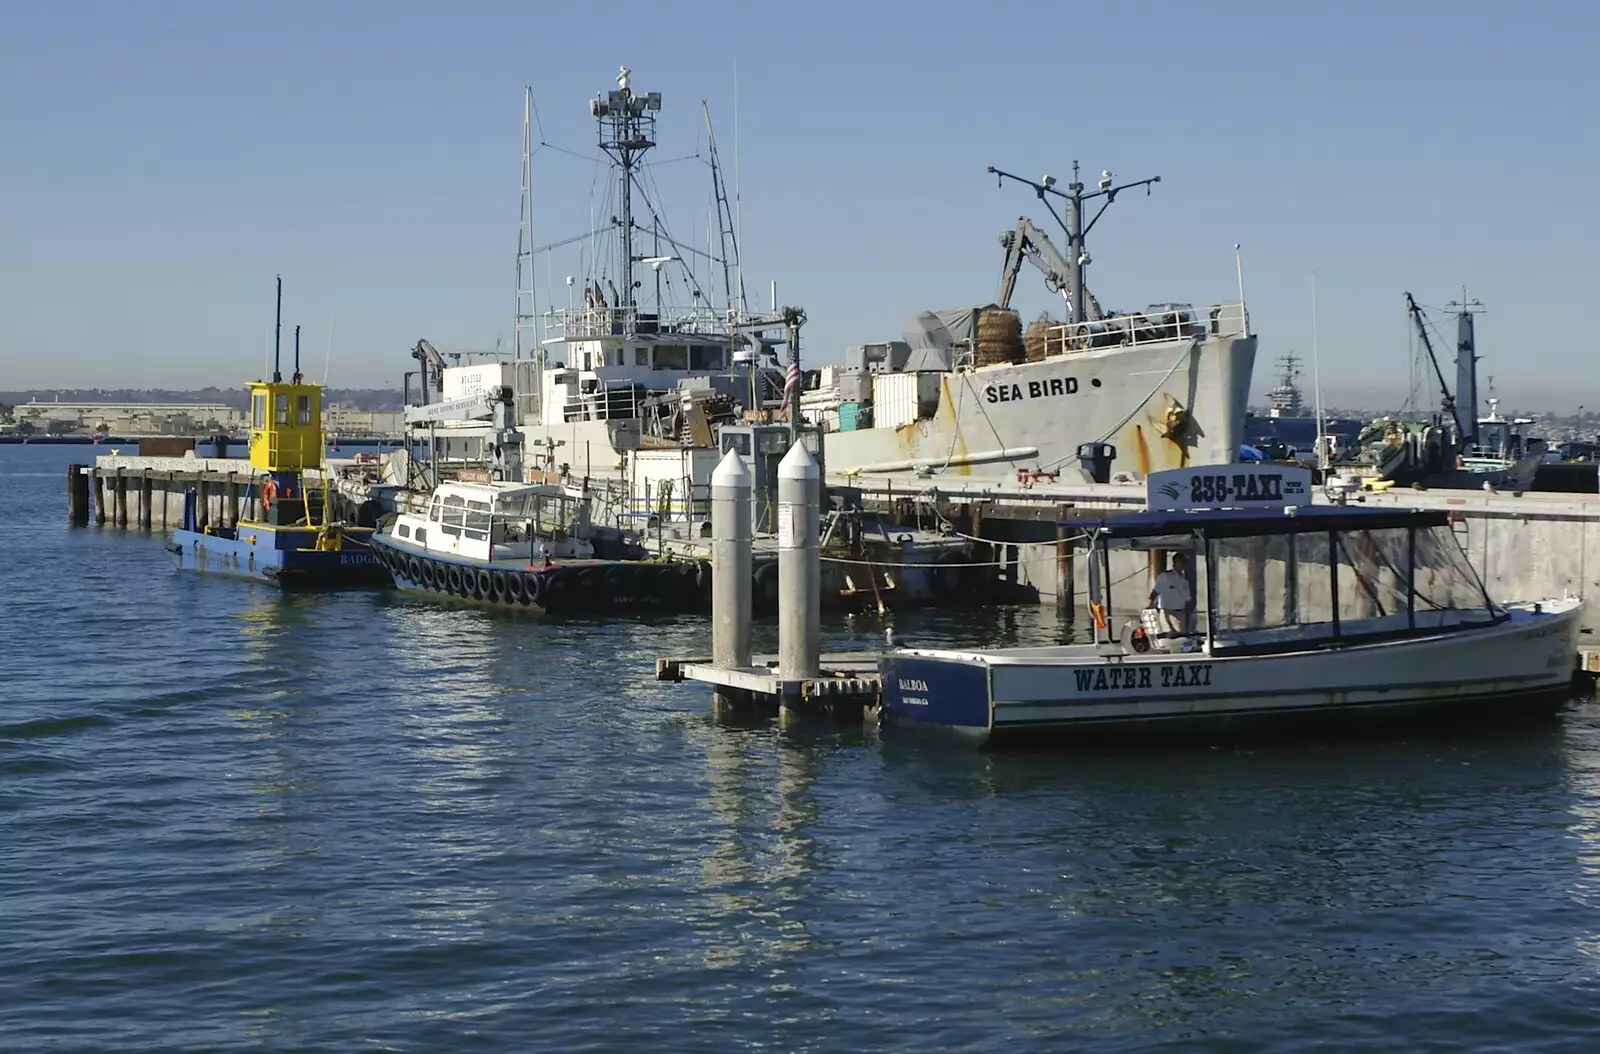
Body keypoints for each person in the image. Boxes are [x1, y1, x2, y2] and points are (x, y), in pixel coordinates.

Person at [1147, 552, 1194, 639]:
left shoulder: (1184, 580)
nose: (1184, 564)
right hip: (1168, 612)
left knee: (1181, 637)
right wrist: (1149, 605)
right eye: (1181, 562)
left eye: (1185, 562)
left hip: (1180, 612)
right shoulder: (1165, 576)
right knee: (1170, 637)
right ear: (1175, 562)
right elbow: (1155, 591)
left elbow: (1186, 598)